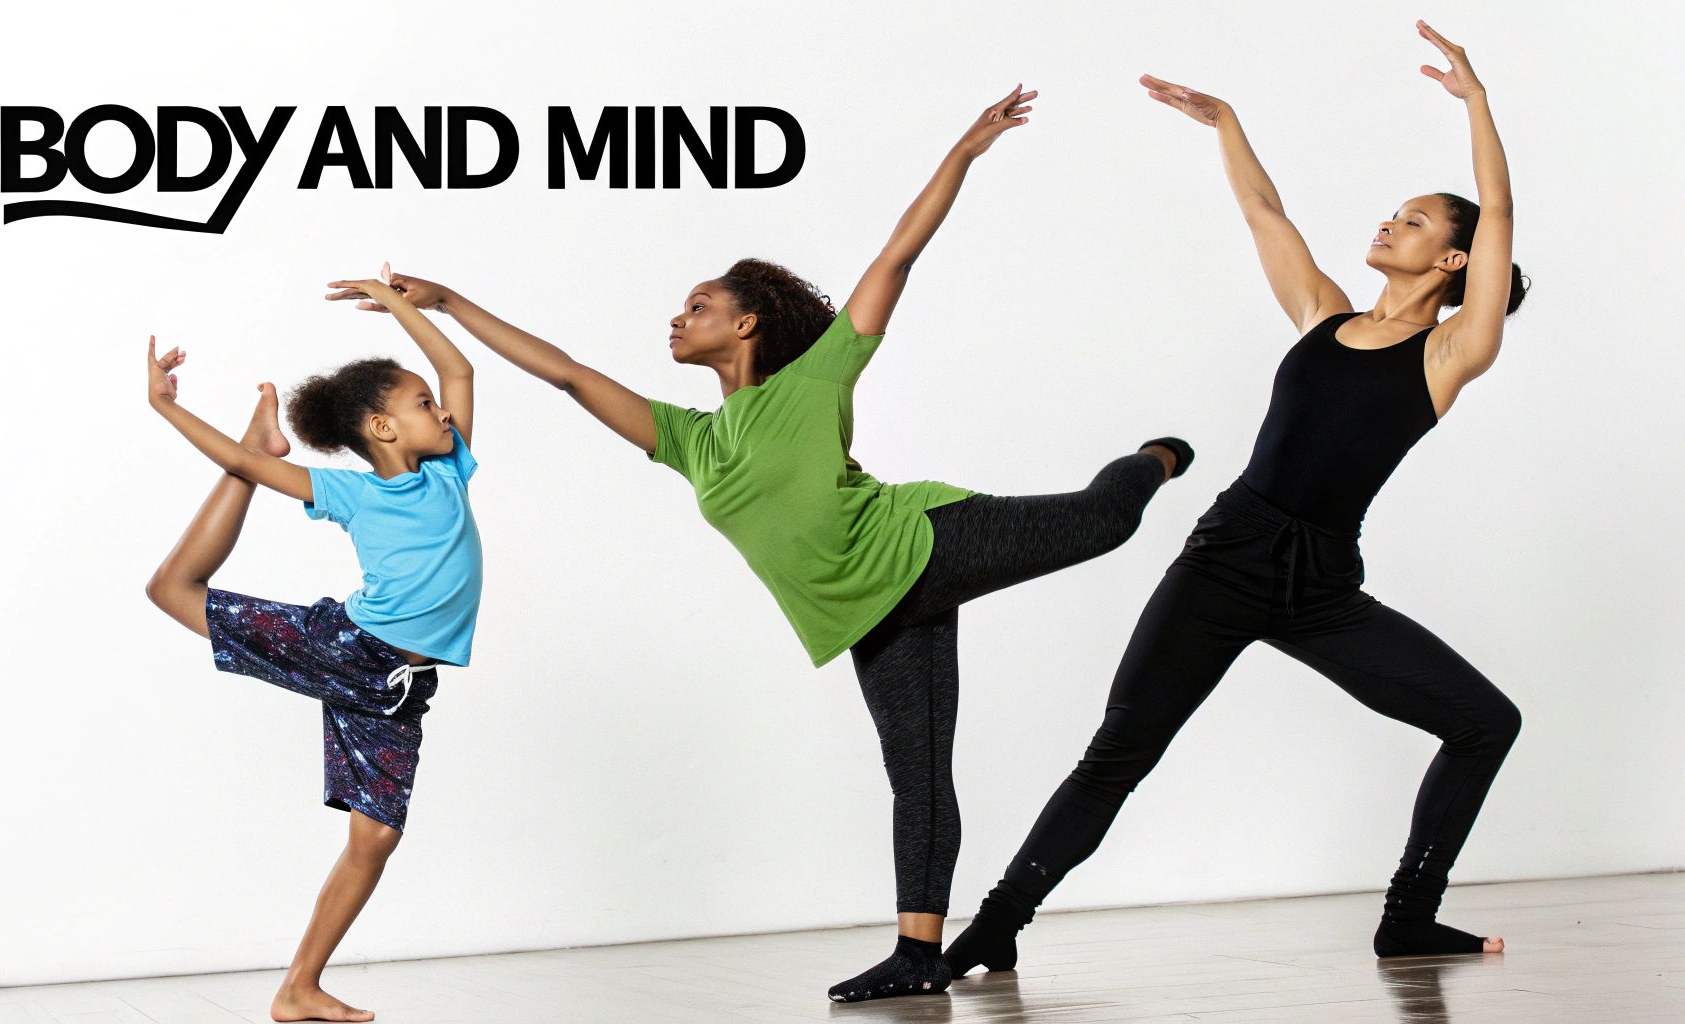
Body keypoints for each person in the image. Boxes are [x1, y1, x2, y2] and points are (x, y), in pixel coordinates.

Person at [330, 87, 1190, 1002]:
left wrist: (964, 152)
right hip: (871, 611)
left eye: (696, 305)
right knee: (918, 778)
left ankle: (1155, 455)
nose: (677, 316)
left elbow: (897, 253)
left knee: (1105, 520)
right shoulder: (693, 441)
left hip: (928, 539)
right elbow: (571, 377)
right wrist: (452, 301)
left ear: (744, 323)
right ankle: (917, 953)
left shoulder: (816, 377)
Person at [948, 21, 1528, 976]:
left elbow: (1499, 211)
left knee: (1483, 721)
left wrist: (1476, 103)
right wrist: (1225, 123)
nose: (1391, 224)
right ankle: (997, 923)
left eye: (1417, 222)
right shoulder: (1321, 315)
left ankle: (1408, 918)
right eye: (1395, 212)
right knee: (1120, 751)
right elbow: (1267, 213)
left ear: (1457, 264)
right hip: (1225, 559)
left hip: (1321, 587)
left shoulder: (1449, 356)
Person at [144, 268, 481, 1022]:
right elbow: (244, 468)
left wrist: (399, 306)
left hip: (398, 689)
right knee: (173, 590)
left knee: (376, 839)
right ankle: (254, 431)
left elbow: (459, 367)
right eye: (424, 404)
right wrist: (169, 409)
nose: (445, 410)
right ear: (383, 429)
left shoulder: (450, 470)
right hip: (348, 648)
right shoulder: (355, 492)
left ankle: (298, 989)